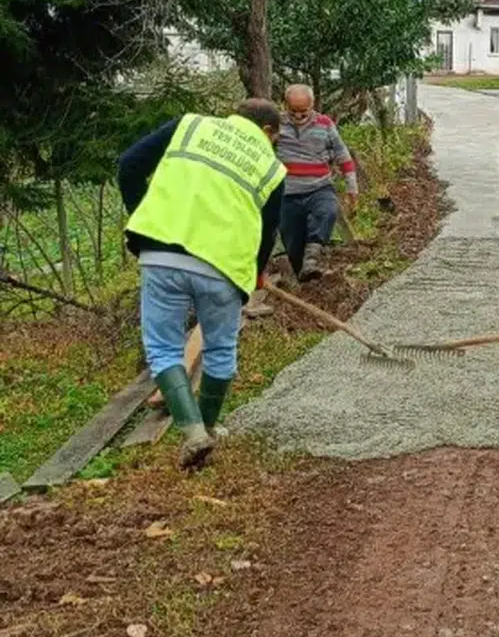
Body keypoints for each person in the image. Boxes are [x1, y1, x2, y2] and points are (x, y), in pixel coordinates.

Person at [118, 100, 285, 470]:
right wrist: (256, 273)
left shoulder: (189, 125)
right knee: (221, 348)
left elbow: (128, 165)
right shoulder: (272, 166)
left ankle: (192, 433)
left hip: (161, 254)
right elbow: (268, 230)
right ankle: (206, 428)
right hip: (223, 267)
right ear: (269, 132)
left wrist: (146, 219)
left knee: (163, 347)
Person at [276, 84, 358, 280]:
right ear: (285, 105)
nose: (298, 116)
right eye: (293, 111)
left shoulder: (325, 124)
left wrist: (351, 186)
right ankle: (302, 276)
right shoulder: (276, 124)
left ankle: (314, 255)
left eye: (303, 111)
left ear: (312, 105)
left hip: (319, 186)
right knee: (292, 242)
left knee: (327, 212)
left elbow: (342, 154)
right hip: (287, 192)